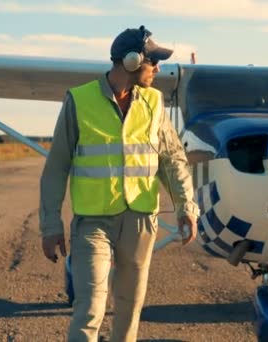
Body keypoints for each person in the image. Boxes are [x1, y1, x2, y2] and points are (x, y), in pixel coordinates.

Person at [39, 25, 199, 342]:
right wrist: (50, 224)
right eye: (152, 61)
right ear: (130, 61)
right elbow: (57, 166)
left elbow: (172, 159)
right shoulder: (79, 100)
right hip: (92, 221)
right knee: (90, 307)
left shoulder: (154, 103)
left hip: (140, 219)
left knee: (129, 307)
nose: (157, 68)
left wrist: (185, 205)